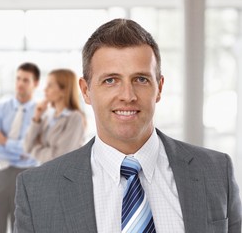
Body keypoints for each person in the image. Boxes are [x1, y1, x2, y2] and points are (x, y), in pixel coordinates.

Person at [14, 18, 242, 233]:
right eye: (110, 80)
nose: (127, 95)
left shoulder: (216, 172)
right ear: (86, 91)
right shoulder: (36, 190)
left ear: (159, 88)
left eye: (141, 79)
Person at [0, 62, 40, 233]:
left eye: (26, 80)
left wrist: (3, 140)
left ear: (35, 84)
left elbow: (33, 150)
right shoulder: (0, 109)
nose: (20, 83)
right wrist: (21, 149)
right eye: (18, 79)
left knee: (24, 227)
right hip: (0, 172)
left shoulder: (41, 115)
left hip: (28, 175)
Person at [24, 69, 86, 164]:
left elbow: (60, 157)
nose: (45, 89)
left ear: (64, 91)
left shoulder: (75, 118)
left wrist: (35, 150)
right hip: (44, 174)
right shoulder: (47, 117)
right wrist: (37, 117)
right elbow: (27, 146)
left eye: (50, 85)